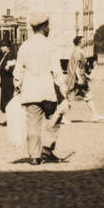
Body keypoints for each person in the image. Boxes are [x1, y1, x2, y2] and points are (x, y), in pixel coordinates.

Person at [13, 13, 66, 165]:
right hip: (47, 90)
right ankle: (48, 147)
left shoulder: (25, 46)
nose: (49, 29)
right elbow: (56, 69)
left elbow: (18, 70)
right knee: (57, 115)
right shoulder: (49, 45)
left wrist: (17, 86)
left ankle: (35, 156)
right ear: (43, 28)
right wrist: (62, 88)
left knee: (33, 124)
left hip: (30, 91)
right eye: (48, 26)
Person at [66, 35, 104, 122]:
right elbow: (76, 67)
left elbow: (81, 67)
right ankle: (61, 117)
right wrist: (80, 78)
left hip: (80, 79)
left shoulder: (79, 52)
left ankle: (95, 115)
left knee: (87, 96)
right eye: (83, 41)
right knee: (69, 98)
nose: (85, 42)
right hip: (76, 80)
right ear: (79, 43)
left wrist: (86, 77)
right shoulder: (77, 54)